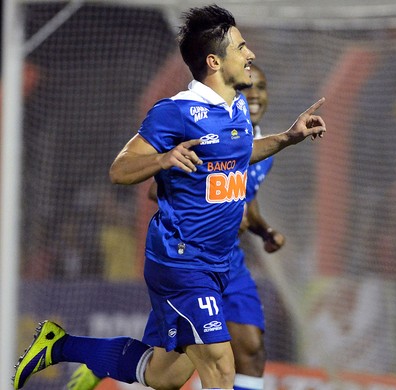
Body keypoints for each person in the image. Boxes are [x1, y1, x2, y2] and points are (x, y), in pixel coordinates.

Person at [13, 5, 326, 390]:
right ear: (214, 61)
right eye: (241, 47)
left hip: (218, 262)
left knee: (164, 375)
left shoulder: (238, 108)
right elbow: (120, 168)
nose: (251, 54)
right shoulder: (174, 112)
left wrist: (287, 138)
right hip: (182, 261)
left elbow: (241, 153)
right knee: (221, 368)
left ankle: (59, 346)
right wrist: (162, 158)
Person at [66, 64, 285, 390]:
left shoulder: (263, 151)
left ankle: (90, 356)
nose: (255, 96)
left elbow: (246, 202)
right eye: (249, 89)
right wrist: (207, 199)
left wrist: (264, 230)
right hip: (192, 259)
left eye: (262, 89)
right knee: (225, 362)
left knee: (185, 370)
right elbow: (158, 189)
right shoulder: (203, 129)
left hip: (229, 262)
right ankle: (99, 359)